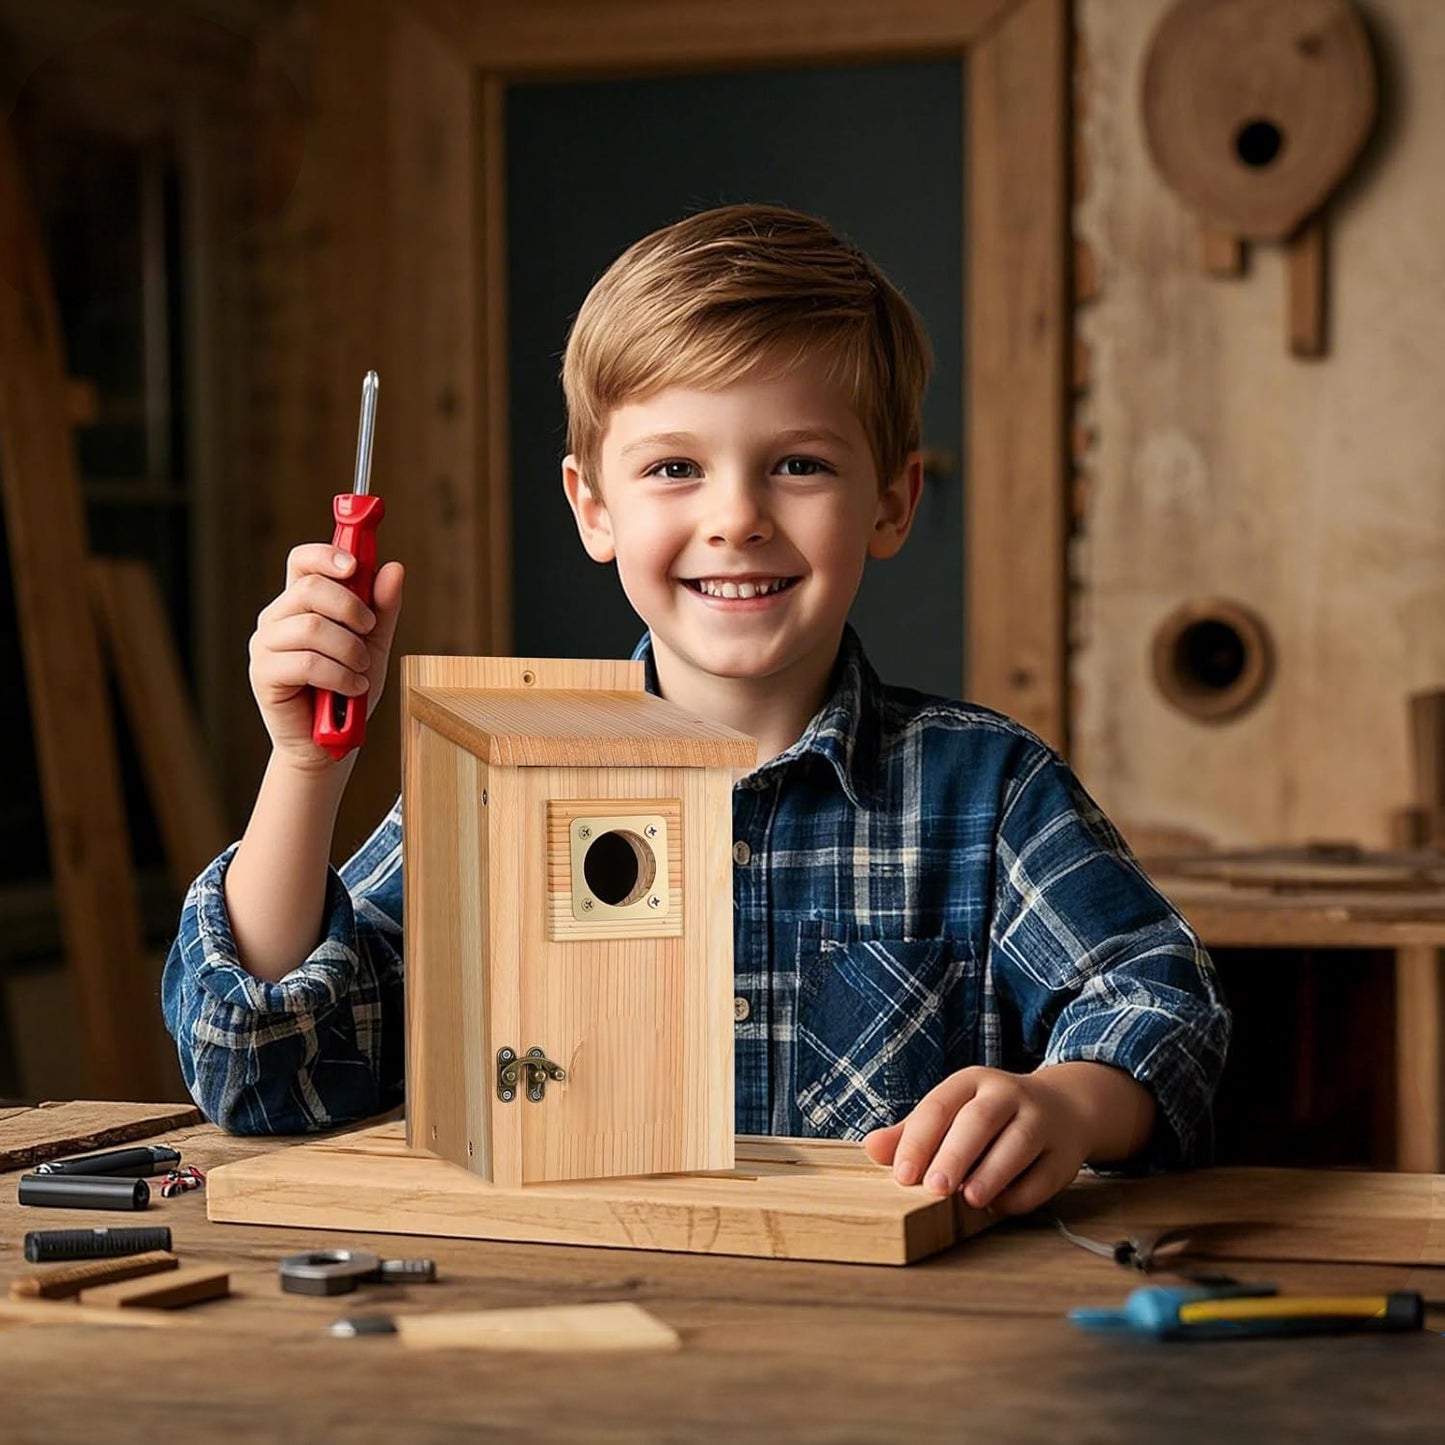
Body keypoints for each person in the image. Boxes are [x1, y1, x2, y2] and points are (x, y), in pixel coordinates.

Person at [163, 203, 1230, 1216]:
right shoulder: (498, 781)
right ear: (593, 506)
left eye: (797, 464)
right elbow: (258, 1069)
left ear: (892, 501)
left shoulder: (987, 789)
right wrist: (304, 768)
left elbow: (1164, 1008)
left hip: (885, 1346)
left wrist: (1065, 1103)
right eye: (675, 467)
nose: (735, 518)